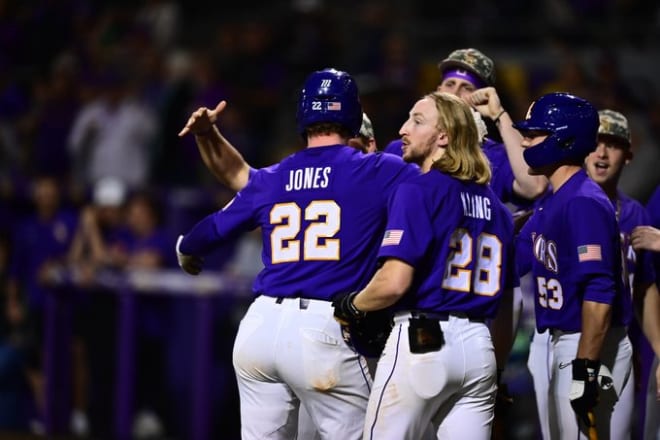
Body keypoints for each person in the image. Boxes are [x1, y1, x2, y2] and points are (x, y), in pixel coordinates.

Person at [176, 68, 420, 440]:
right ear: (353, 115)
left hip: (260, 329)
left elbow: (207, 231)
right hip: (325, 329)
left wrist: (185, 251)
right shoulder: (379, 169)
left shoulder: (274, 177)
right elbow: (438, 179)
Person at [333, 91, 516, 439]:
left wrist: (352, 304)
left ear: (443, 136)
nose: (403, 129)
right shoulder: (498, 210)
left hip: (423, 341)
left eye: (417, 121)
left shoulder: (417, 189)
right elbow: (508, 306)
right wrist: (499, 366)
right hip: (480, 349)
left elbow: (394, 282)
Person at [513, 93, 633, 439]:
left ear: (564, 139)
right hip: (563, 337)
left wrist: (585, 367)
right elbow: (514, 261)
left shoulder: (582, 201)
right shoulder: (554, 198)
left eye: (535, 133)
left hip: (589, 340)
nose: (526, 140)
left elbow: (599, 290)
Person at [384, 48, 548, 205]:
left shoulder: (495, 156)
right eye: (450, 84)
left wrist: (499, 114)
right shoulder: (402, 148)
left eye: (467, 88)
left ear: (482, 99)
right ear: (438, 90)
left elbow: (535, 187)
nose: (454, 93)